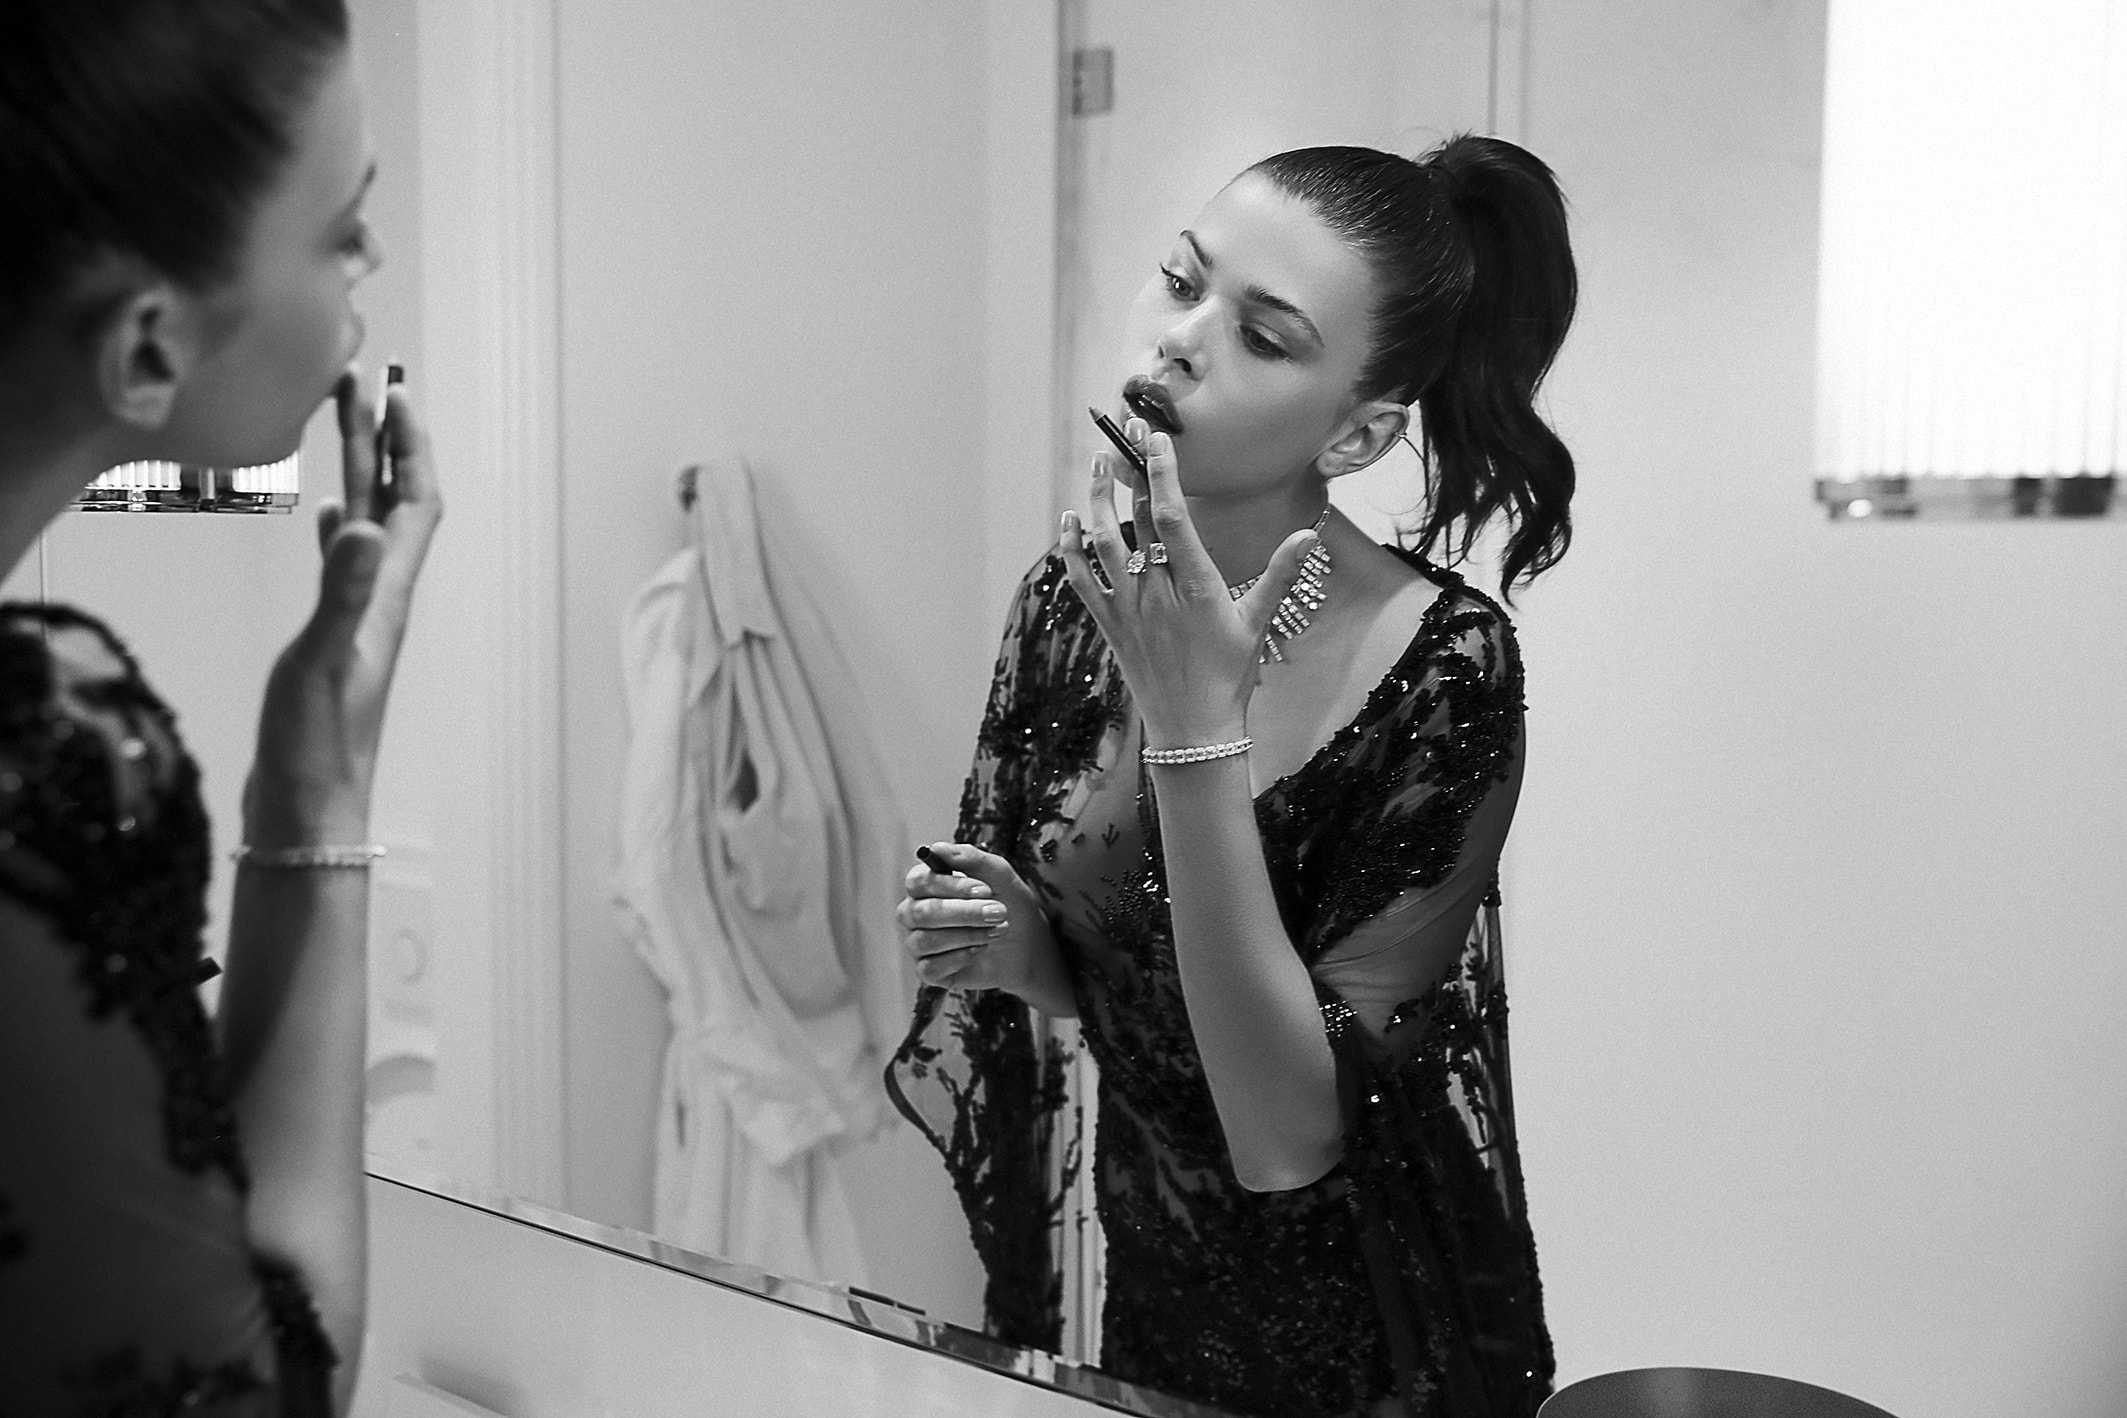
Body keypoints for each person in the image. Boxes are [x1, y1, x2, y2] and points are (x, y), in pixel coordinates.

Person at [887, 137, 1576, 1418]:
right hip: (1154, 1318)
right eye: (1180, 280)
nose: (1182, 339)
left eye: (1263, 337)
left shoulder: (1443, 663)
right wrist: (1025, 950)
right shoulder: (1075, 596)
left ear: (1360, 434)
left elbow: (1287, 1134)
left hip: (1371, 1354)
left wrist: (1194, 726)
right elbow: (1154, 1001)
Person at [0, 2, 440, 1412]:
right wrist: (320, 788)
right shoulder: (41, 763)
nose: (371, 260)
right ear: (146, 348)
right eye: (341, 228)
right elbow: (258, 1387)